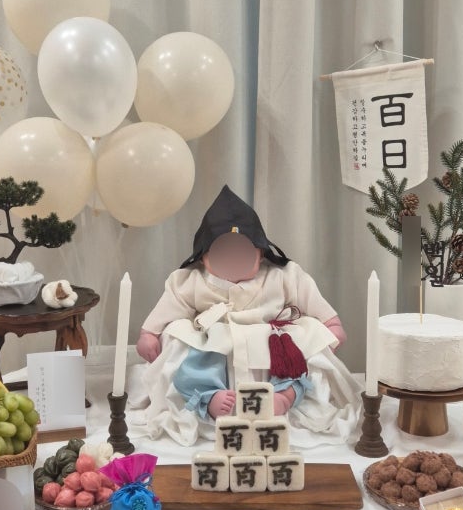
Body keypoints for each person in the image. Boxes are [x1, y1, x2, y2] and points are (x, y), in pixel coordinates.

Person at [129, 185, 362, 447]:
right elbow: (171, 303)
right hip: (217, 338)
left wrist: (331, 322)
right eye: (223, 253)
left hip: (270, 337)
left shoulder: (282, 275)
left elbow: (308, 295)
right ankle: (209, 396)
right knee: (193, 354)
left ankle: (284, 395)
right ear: (204, 257)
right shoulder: (191, 280)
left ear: (260, 253)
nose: (233, 260)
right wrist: (149, 333)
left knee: (295, 359)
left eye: (242, 253)